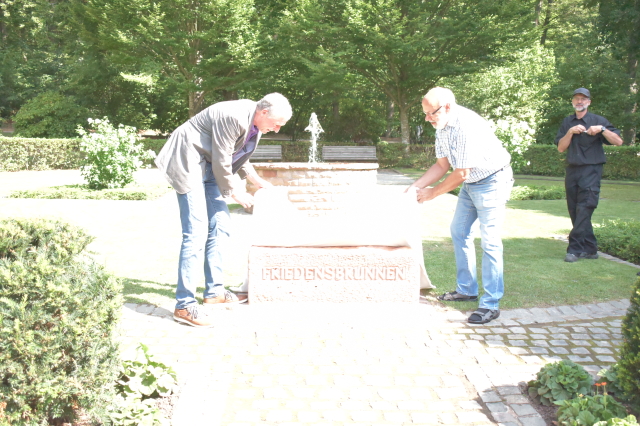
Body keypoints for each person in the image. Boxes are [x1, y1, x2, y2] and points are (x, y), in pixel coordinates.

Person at [155, 93, 292, 327]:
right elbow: (222, 158)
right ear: (264, 112)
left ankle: (214, 292)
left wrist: (257, 180)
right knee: (196, 232)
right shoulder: (234, 116)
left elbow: (235, 153)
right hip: (189, 161)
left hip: (210, 167)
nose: (277, 129)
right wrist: (235, 192)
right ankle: (184, 306)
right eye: (276, 123)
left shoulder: (254, 124)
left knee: (221, 226)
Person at [406, 87, 513, 324]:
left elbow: (462, 172)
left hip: (493, 180)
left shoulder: (466, 125)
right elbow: (441, 166)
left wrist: (432, 193)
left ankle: (491, 304)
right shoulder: (442, 126)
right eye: (424, 113)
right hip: (472, 183)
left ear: (447, 107)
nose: (427, 118)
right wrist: (413, 188)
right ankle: (466, 290)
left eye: (430, 113)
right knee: (459, 231)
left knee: (490, 240)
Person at [555, 88, 623, 263]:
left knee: (585, 207)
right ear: (573, 102)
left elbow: (618, 141)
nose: (580, 101)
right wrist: (570, 132)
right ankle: (590, 249)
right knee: (574, 211)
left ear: (589, 102)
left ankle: (574, 249)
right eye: (577, 99)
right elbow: (561, 148)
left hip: (591, 171)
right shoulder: (567, 122)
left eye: (583, 99)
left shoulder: (598, 121)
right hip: (572, 171)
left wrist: (601, 129)